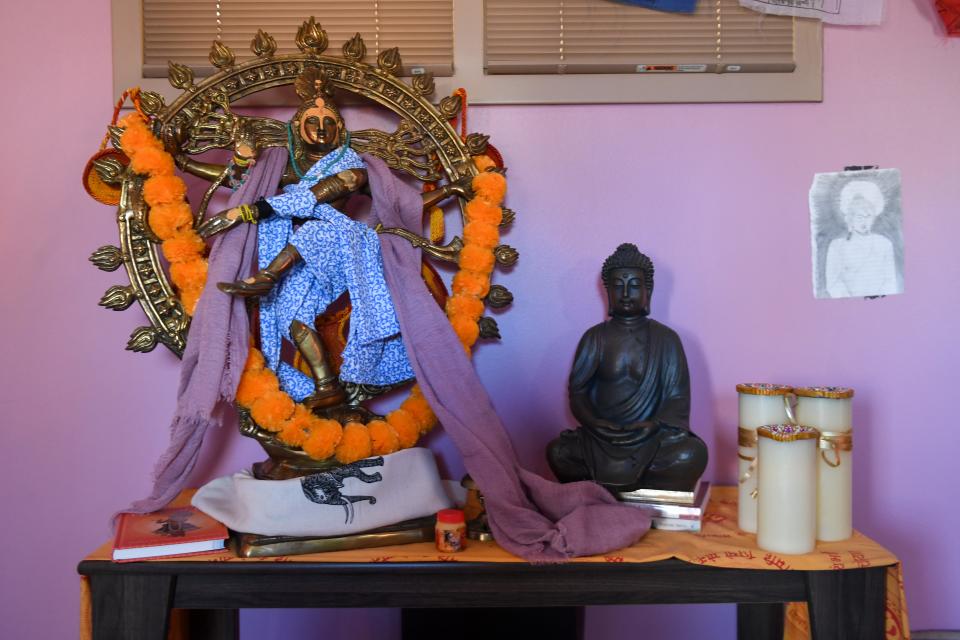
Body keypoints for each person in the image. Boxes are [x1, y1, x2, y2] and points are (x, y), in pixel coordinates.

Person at [187, 68, 470, 409]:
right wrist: (185, 165)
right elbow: (238, 183)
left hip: (343, 245)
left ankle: (267, 277)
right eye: (313, 122)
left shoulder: (353, 166)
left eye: (329, 123)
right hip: (301, 256)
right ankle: (326, 387)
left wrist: (447, 191)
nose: (321, 129)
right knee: (291, 318)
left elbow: (400, 203)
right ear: (297, 129)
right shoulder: (287, 169)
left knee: (317, 228)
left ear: (340, 131)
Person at [546, 244, 707, 492]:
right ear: (607, 292)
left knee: (691, 454)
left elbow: (677, 397)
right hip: (601, 438)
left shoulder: (667, 339)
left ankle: (608, 490)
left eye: (633, 285)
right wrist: (594, 422)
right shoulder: (595, 338)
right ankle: (610, 489)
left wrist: (655, 425)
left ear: (648, 290)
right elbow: (578, 393)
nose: (625, 293)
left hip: (652, 437)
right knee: (558, 451)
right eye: (617, 286)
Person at [824, 180, 898, 298]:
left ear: (874, 217)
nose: (864, 221)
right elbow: (833, 283)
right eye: (859, 217)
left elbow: (891, 281)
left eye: (868, 216)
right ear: (850, 219)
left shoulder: (884, 244)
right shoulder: (837, 246)